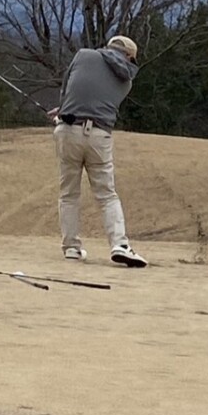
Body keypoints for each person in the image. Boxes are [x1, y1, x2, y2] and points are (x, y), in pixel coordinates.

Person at [47, 35, 148, 267]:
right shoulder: (127, 81)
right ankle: (119, 244)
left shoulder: (83, 55)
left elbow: (68, 88)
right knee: (107, 194)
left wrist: (63, 111)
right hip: (99, 136)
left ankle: (71, 247)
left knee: (68, 193)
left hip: (67, 131)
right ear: (129, 57)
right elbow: (100, 100)